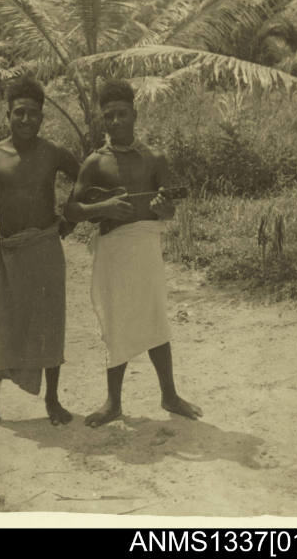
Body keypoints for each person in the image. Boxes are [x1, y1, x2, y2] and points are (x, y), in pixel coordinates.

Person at [64, 78, 203, 428]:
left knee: (155, 317)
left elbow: (169, 210)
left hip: (145, 248)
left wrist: (163, 207)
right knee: (116, 321)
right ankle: (113, 403)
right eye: (108, 116)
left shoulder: (155, 158)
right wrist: (105, 207)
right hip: (113, 251)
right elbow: (72, 210)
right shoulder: (95, 163)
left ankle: (169, 394)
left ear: (134, 114)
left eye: (121, 114)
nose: (114, 122)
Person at [0, 75, 80, 430]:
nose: (26, 120)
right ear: (7, 114)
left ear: (42, 117)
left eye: (33, 114)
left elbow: (86, 180)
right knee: (1, 325)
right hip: (8, 253)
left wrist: (68, 221)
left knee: (50, 322)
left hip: (45, 248)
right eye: (19, 113)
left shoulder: (52, 152)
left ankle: (52, 400)